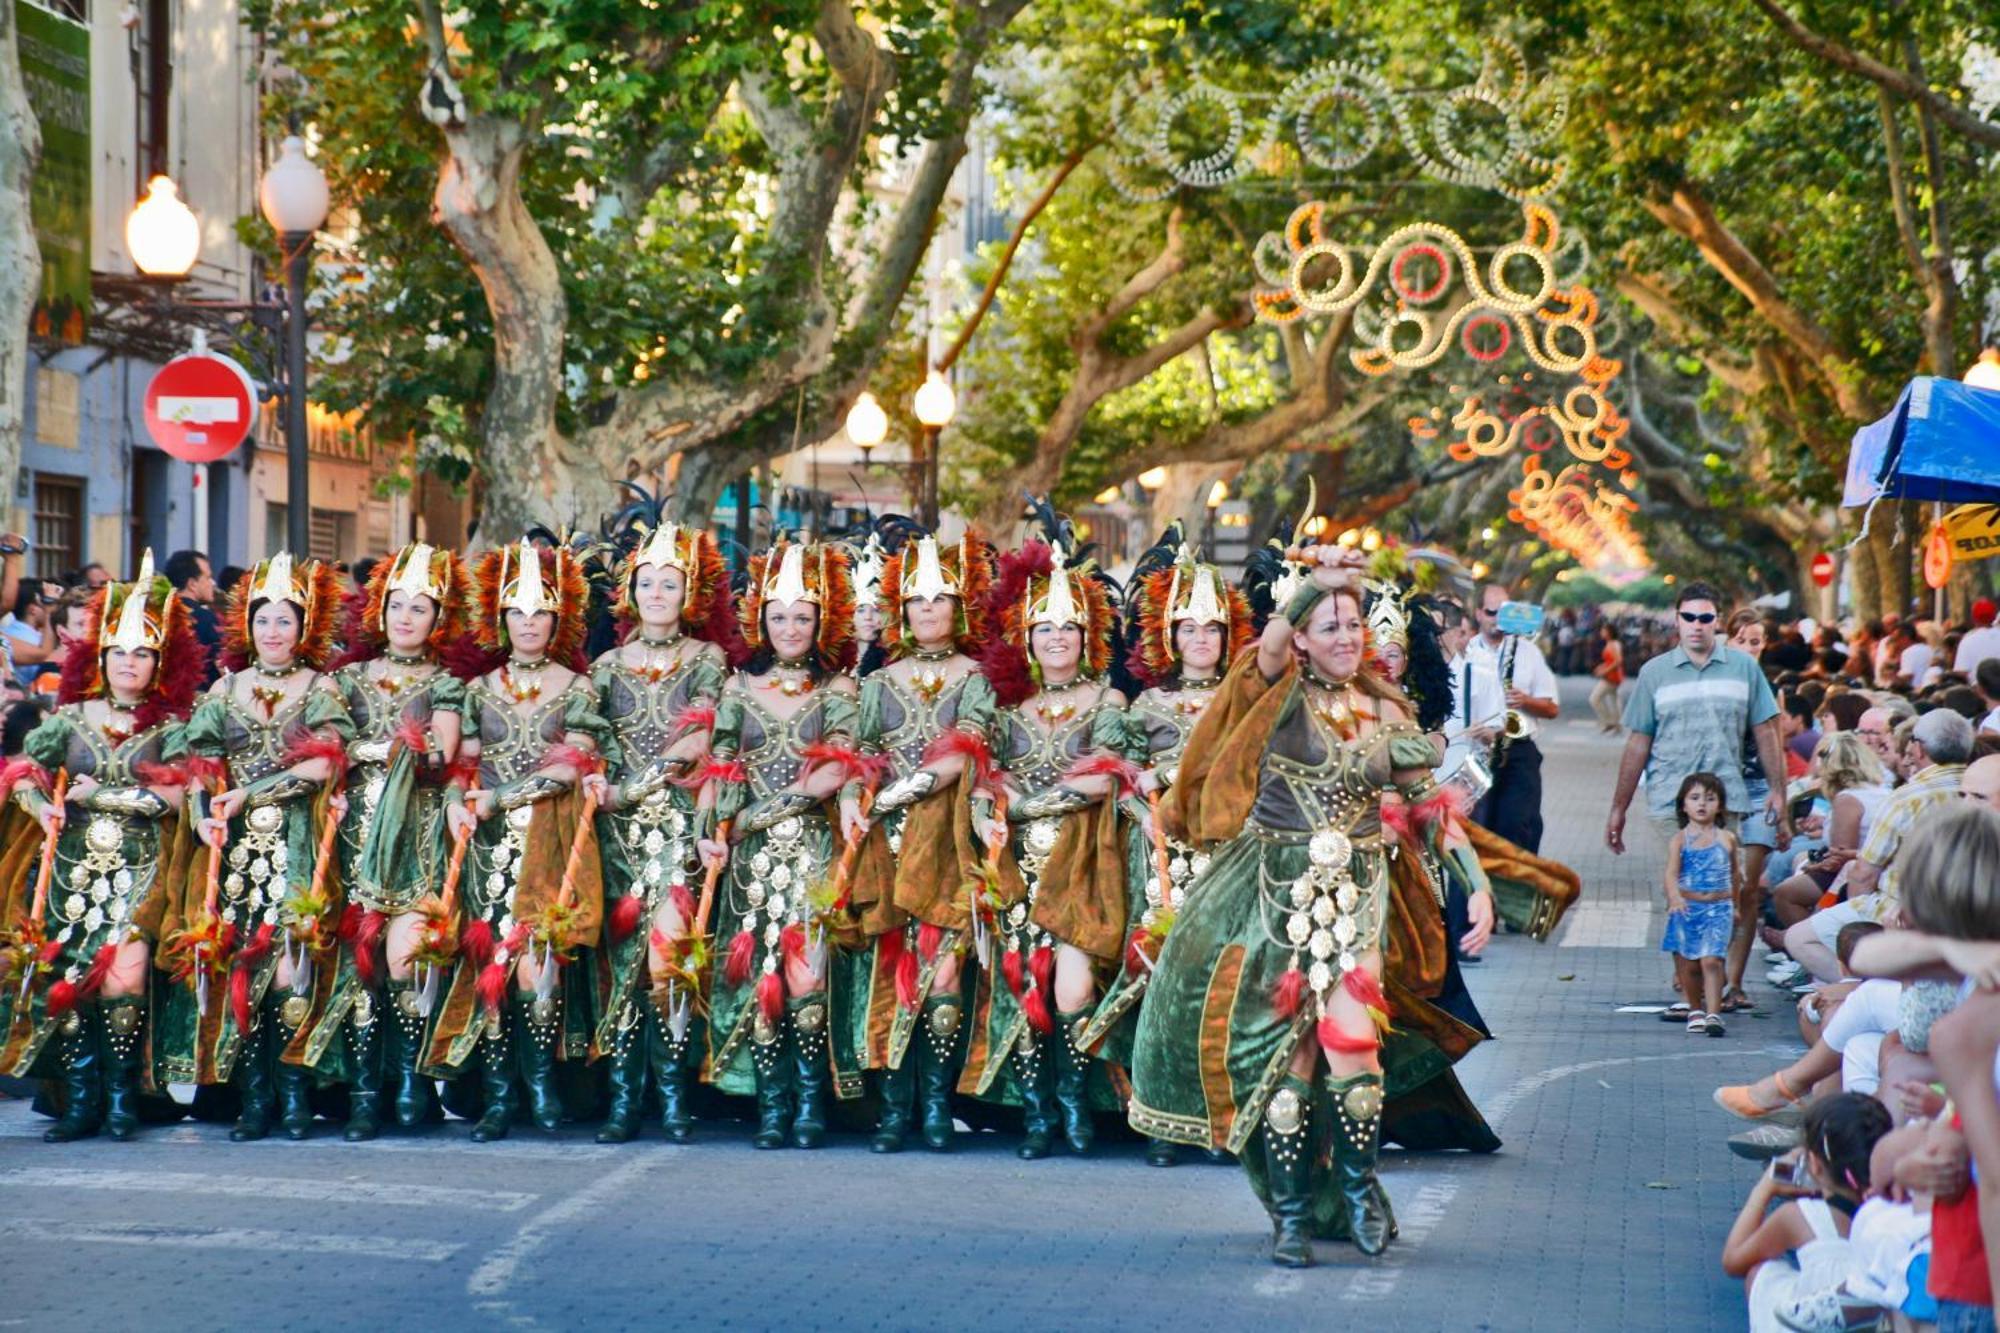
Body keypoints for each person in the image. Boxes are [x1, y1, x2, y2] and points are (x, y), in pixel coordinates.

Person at [1130, 546, 1484, 1265]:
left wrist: (1473, 880)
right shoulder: (1273, 692)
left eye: (1351, 623)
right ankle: (1290, 1216)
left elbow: (1426, 806)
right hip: (1270, 897)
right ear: (1301, 638)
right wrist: (1309, 592)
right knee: (1287, 1071)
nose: (1346, 637)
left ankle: (1354, 1193)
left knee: (1355, 1057)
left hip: (1356, 898)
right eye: (1328, 626)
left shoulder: (1387, 710)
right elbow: (1263, 651)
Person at [0, 554, 203, 1141]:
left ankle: (121, 1101)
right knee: (68, 982)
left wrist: (110, 797)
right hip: (73, 873)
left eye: (142, 653)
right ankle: (80, 1101)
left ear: (159, 661)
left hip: (143, 871)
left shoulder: (174, 725)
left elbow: (181, 797)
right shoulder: (69, 717)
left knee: (124, 981)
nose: (129, 663)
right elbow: (24, 777)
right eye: (120, 652)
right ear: (102, 657)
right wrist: (45, 807)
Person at [156, 554, 353, 1141]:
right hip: (236, 850)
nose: (273, 632)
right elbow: (200, 766)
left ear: (304, 629)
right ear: (247, 626)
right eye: (263, 620)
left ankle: (294, 1094)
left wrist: (255, 792)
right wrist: (201, 818)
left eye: (285, 622)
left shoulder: (320, 687)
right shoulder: (224, 689)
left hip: (296, 840)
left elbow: (324, 763)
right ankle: (254, 1096)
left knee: (293, 965)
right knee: (239, 963)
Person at [1078, 533, 1250, 1166]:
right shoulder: (1145, 703)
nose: (1200, 639)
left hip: (1226, 861)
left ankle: (1219, 1116)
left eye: (1211, 628)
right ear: (1169, 637)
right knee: (1157, 984)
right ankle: (1158, 1118)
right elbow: (1116, 775)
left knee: (1221, 986)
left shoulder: (1245, 700)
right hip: (1159, 864)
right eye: (1188, 628)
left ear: (1228, 636)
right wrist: (1140, 780)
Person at [961, 539, 1132, 1161]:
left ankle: (1077, 1106)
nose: (1057, 637)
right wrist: (986, 809)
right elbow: (979, 771)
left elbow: (1110, 773)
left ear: (1087, 636)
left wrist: (1031, 801)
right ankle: (1039, 1116)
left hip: (1082, 864)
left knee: (1073, 990)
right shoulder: (1006, 705)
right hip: (1015, 867)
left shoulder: (1109, 701)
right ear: (1025, 636)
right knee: (1023, 985)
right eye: (1044, 627)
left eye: (1068, 627)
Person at [436, 540, 609, 1141]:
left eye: (539, 613)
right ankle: (498, 1095)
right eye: (517, 612)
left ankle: (542, 1087)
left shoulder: (578, 688)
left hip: (552, 836)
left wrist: (502, 797)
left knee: (540, 968)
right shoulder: (479, 689)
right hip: (488, 845)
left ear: (556, 620)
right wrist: (460, 804)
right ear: (501, 618)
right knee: (492, 963)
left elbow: (577, 761)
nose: (528, 623)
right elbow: (465, 766)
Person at [698, 539, 861, 1151]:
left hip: (813, 851)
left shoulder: (840, 690)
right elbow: (720, 766)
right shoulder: (738, 689)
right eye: (778, 617)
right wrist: (710, 834)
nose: (790, 628)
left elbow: (837, 768)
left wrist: (757, 816)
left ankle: (811, 1104)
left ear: (822, 621)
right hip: (750, 863)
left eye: (802, 617)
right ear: (760, 621)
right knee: (761, 978)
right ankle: (772, 1106)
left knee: (808, 979)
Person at [841, 532, 995, 1154]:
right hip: (886, 843)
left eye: (941, 601)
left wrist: (900, 792)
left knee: (944, 980)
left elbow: (968, 746)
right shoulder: (880, 681)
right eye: (918, 602)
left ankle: (936, 1107)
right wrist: (856, 795)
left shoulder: (977, 677)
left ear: (958, 610)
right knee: (889, 971)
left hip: (947, 840)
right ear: (901, 611)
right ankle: (893, 1110)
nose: (929, 611)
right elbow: (862, 752)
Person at [583, 521, 732, 1144]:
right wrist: (595, 780)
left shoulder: (707, 660)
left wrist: (647, 781)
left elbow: (703, 732)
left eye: (670, 584)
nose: (657, 594)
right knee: (621, 963)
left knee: (669, 954)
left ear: (688, 593)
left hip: (676, 820)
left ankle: (673, 1097)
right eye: (646, 583)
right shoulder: (607, 665)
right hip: (617, 830)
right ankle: (624, 1099)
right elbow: (586, 735)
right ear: (630, 591)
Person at [320, 543, 470, 1140]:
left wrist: (405, 749)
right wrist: (384, 749)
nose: (407, 617)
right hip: (354, 830)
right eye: (397, 606)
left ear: (439, 619)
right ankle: (362, 1092)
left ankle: (411, 1083)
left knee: (406, 957)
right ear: (379, 612)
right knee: (358, 964)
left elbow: (443, 753)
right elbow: (328, 744)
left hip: (419, 832)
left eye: (421, 608)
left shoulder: (447, 683)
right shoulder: (347, 679)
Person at [1781, 709, 1973, 984]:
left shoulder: (1909, 798)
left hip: (1903, 908)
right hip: (1961, 911)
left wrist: (1860, 932)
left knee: (1799, 938)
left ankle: (1861, 990)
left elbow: (1864, 873)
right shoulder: (1977, 787)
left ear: (1918, 749)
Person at [1605, 580, 1786, 856]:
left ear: (1718, 622)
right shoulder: (1654, 672)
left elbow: (1766, 732)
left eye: (1705, 618)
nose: (1696, 625)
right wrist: (1619, 808)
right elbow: (1638, 743)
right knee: (1681, 886)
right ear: (1677, 620)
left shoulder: (1745, 668)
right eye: (1689, 617)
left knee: (1721, 889)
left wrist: (1778, 790)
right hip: (1669, 800)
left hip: (1725, 800)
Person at [1723, 1094, 1892, 1333]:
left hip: (1813, 1321)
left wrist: (1764, 1188)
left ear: (1813, 1163)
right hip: (1877, 1310)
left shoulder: (1800, 1216)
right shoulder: (1894, 1211)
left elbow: (1733, 1262)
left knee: (1760, 1270)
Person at [1465, 582, 1559, 853]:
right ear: (1479, 613)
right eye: (1492, 612)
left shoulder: (1528, 652)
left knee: (1517, 827)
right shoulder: (1468, 651)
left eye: (1504, 612)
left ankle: (1519, 889)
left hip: (1517, 751)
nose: (1498, 620)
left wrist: (1525, 701)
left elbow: (1552, 708)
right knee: (1479, 831)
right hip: (1478, 752)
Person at [1723, 611, 1779, 1012]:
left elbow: (1775, 748)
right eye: (1740, 639)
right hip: (1719, 793)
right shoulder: (1715, 684)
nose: (1748, 647)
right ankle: (1699, 965)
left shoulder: (1770, 689)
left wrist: (1783, 799)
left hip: (1759, 791)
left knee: (1747, 889)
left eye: (1755, 641)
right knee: (1717, 887)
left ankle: (1734, 981)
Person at [1661, 772, 1740, 1037]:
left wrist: (1736, 905)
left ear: (1720, 805)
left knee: (1712, 960)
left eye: (1710, 798)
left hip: (1719, 908)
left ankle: (1714, 1014)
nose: (1702, 804)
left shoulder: (1727, 838)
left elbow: (1734, 875)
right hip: (1687, 908)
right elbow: (1671, 873)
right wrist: (1674, 898)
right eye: (1694, 798)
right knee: (1689, 964)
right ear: (1684, 805)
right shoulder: (1680, 840)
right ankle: (1695, 1008)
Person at [164, 550, 220, 685]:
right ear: (192, 584)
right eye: (207, 577)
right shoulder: (207, 619)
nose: (213, 583)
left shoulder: (158, 614)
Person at [1589, 621, 1624, 733]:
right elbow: (1611, 661)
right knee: (1614, 700)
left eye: (1603, 630)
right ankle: (1616, 725)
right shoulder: (1611, 643)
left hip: (1611, 677)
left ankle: (1609, 722)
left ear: (1609, 632)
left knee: (1595, 698)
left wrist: (1604, 671)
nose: (1601, 632)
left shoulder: (1613, 644)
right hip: (1612, 676)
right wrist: (1602, 666)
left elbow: (1618, 660)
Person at [1955, 598, 2000, 674]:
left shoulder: (1967, 640)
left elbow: (1961, 672)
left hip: (1975, 685)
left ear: (1973, 618)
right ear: (1994, 616)